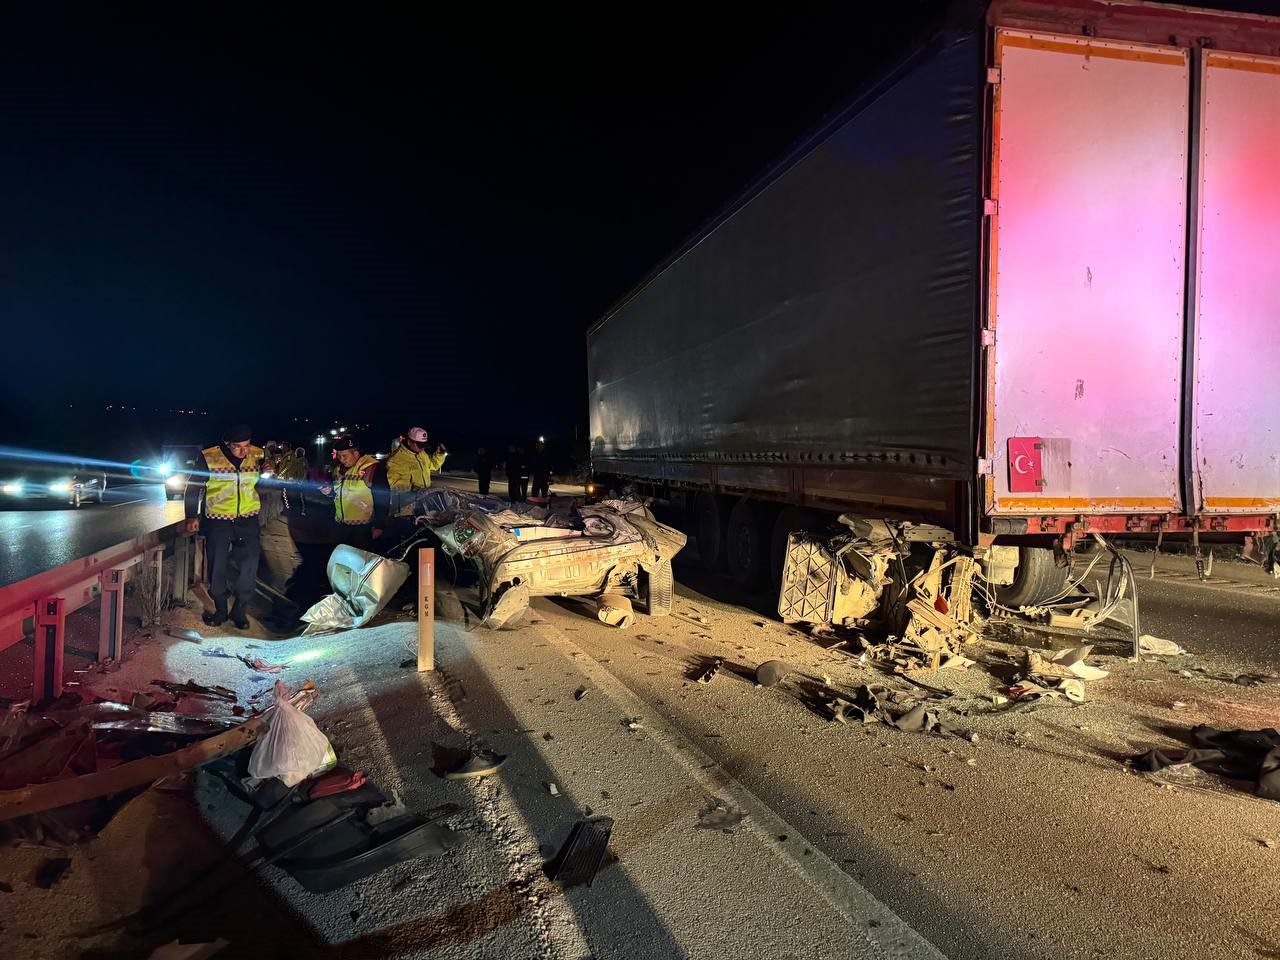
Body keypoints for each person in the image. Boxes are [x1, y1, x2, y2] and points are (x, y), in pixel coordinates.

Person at [184, 424, 265, 629]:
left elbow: (263, 484)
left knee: (249, 566)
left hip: (247, 519)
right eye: (237, 447)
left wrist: (267, 474)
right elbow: (193, 488)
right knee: (217, 566)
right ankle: (220, 609)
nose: (243, 451)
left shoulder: (258, 455)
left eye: (246, 446)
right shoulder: (209, 457)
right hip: (217, 520)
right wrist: (191, 516)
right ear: (227, 444)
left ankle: (239, 609)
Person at [321, 435, 383, 550]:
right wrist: (329, 492)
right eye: (339, 456)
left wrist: (379, 526)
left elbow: (383, 499)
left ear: (356, 454)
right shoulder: (338, 470)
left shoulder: (371, 468)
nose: (341, 459)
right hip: (342, 527)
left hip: (364, 529)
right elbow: (339, 494)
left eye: (344, 456)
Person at [386, 426, 447, 519]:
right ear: (409, 441)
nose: (422, 449)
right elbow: (397, 488)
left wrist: (440, 454)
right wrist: (419, 491)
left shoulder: (421, 454)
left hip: (423, 505)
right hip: (406, 511)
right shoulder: (396, 460)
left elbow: (433, 466)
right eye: (419, 445)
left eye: (424, 445)